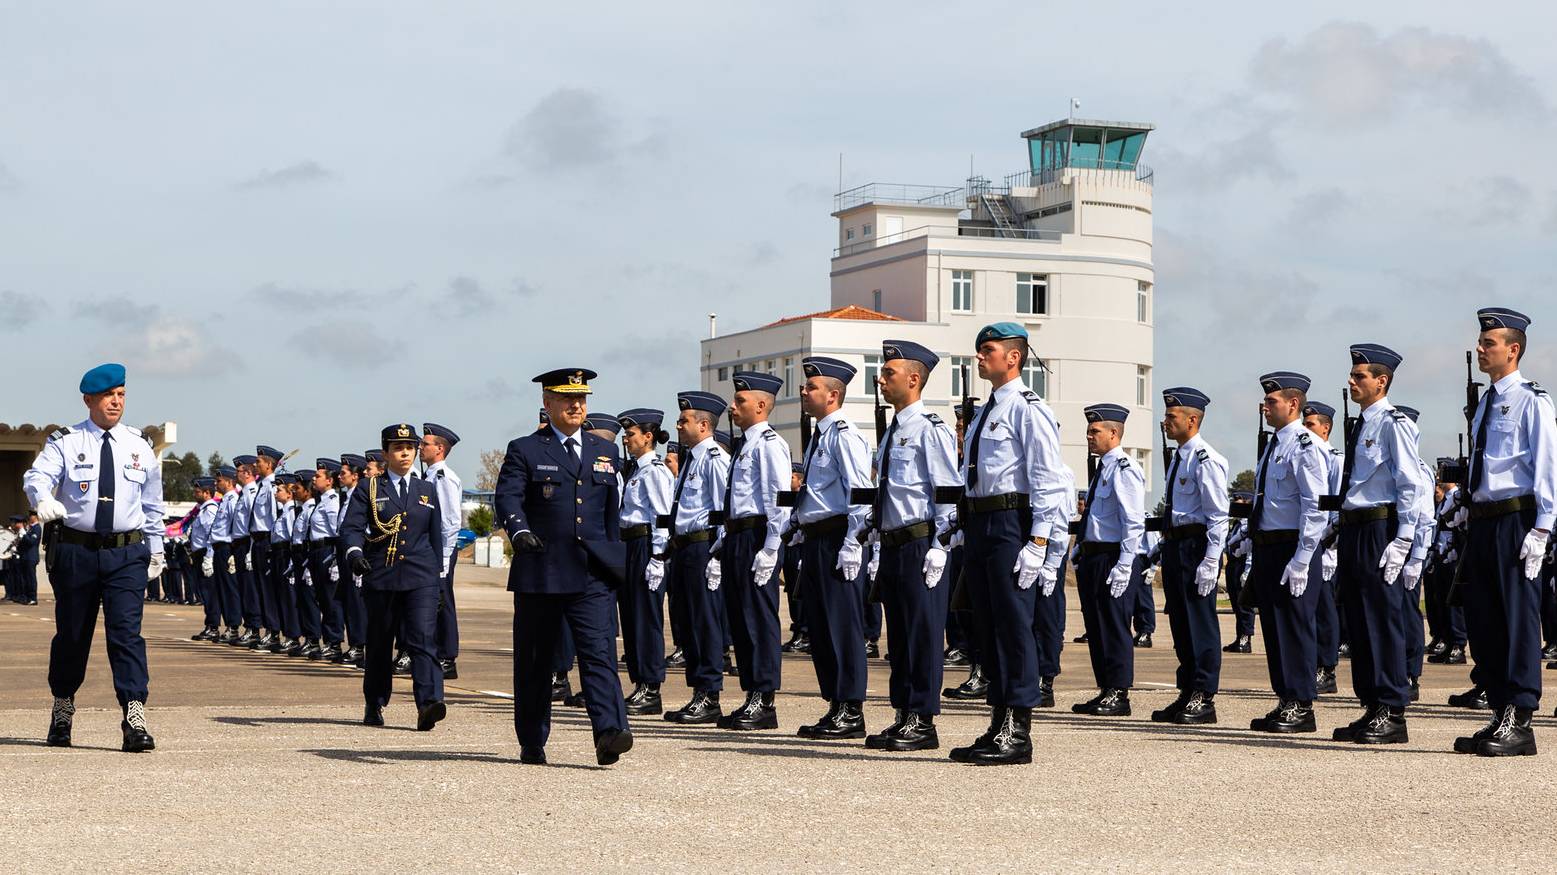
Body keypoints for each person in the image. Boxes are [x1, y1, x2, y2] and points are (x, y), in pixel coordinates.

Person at [495, 368, 632, 766]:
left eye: (582, 399)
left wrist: (612, 557)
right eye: (566, 399)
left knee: (599, 654)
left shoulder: (604, 451)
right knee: (536, 661)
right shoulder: (525, 448)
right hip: (543, 568)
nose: (576, 405)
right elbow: (508, 498)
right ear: (547, 404)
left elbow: (610, 513)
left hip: (592, 572)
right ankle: (533, 739)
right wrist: (518, 532)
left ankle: (609, 732)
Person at [24, 363, 164, 752]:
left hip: (126, 553)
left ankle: (134, 715)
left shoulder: (139, 445)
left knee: (126, 636)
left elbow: (152, 505)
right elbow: (36, 477)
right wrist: (44, 498)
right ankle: (63, 708)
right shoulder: (66, 442)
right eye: (108, 396)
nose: (116, 401)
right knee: (72, 633)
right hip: (76, 552)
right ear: (89, 400)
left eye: (121, 394)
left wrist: (156, 550)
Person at [950, 323, 1068, 765]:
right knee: (988, 625)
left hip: (1010, 524)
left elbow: (1047, 481)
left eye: (988, 350)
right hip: (981, 524)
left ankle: (1018, 729)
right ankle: (998, 721)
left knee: (1015, 626)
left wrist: (1039, 541)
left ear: (1013, 357)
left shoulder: (1028, 409)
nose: (979, 357)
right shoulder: (985, 412)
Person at [1454, 308, 1557, 757]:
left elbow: (1548, 467)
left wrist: (1542, 528)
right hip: (1483, 521)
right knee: (1485, 619)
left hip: (1516, 520)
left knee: (1516, 619)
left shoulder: (1533, 400)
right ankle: (1499, 709)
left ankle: (1521, 715)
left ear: (1513, 349)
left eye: (1489, 342)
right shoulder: (1485, 405)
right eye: (1481, 341)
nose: (1480, 348)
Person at [1327, 345, 1427, 745]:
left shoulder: (1392, 423)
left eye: (1359, 376)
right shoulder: (1362, 424)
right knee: (1358, 620)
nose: (1352, 382)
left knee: (1382, 619)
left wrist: (1404, 539)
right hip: (1354, 528)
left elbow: (1411, 484)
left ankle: (1392, 708)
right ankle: (1371, 703)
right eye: (1352, 376)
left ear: (1381, 381)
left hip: (1378, 528)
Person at [863, 340, 960, 751]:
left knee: (922, 634)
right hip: (893, 544)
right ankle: (903, 712)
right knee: (899, 637)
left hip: (922, 544)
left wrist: (940, 545)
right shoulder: (893, 432)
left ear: (914, 379)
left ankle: (923, 719)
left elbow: (948, 494)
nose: (881, 379)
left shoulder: (929, 430)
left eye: (889, 373)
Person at [343, 424, 448, 732]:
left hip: (421, 576)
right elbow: (351, 528)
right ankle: (374, 701)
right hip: (383, 574)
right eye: (397, 447)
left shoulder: (426, 490)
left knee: (423, 639)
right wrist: (353, 554)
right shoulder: (370, 489)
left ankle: (428, 703)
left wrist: (440, 580)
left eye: (410, 447)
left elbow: (435, 537)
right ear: (386, 453)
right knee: (379, 642)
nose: (405, 452)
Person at [792, 356, 874, 740]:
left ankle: (851, 707)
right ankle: (835, 703)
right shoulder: (819, 437)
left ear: (833, 394)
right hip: (816, 538)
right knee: (821, 625)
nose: (804, 392)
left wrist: (853, 543)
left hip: (837, 538)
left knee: (842, 625)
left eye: (811, 387)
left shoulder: (844, 435)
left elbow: (860, 493)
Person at [1247, 371, 1330, 735]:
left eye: (1272, 401)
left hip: (1292, 546)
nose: (1265, 407)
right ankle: (1285, 698)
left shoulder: (1305, 445)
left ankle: (1301, 704)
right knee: (1275, 627)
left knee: (1295, 626)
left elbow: (1316, 506)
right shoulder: (1274, 444)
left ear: (1293, 404)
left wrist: (1303, 556)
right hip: (1269, 545)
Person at [715, 372, 793, 730]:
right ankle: (751, 694)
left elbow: (779, 499)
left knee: (758, 619)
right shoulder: (744, 445)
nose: (733, 406)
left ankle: (765, 699)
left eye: (740, 400)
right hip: (736, 536)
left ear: (761, 405)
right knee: (739, 619)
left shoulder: (769, 444)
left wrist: (771, 547)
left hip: (756, 535)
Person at [1150, 387, 1230, 726]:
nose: (1165, 422)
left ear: (1192, 420)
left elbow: (1217, 514)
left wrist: (1212, 559)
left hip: (1196, 546)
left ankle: (1204, 694)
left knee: (1200, 621)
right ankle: (1187, 688)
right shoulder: (1180, 458)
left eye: (1172, 417)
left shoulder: (1206, 459)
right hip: (1176, 545)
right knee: (1180, 621)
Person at [1070, 404, 1146, 717]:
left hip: (1113, 557)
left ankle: (1119, 692)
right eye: (1088, 431)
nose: (1089, 436)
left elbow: (1133, 521)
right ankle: (1105, 688)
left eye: (1095, 431)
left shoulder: (1125, 467)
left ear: (1113, 433)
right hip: (1094, 556)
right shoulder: (1103, 468)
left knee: (1114, 625)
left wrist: (1125, 564)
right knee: (1097, 625)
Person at [662, 390, 732, 724]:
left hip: (704, 548)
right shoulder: (693, 458)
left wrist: (718, 555)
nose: (678, 425)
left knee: (704, 622)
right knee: (687, 622)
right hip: (685, 547)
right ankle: (697, 692)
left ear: (703, 425)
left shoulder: (715, 458)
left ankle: (709, 694)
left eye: (684, 420)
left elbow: (722, 511)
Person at [617, 408, 674, 714]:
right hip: (629, 544)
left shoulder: (655, 471)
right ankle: (639, 682)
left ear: (648, 437)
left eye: (631, 435)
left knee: (646, 618)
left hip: (644, 545)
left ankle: (651, 687)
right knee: (631, 617)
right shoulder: (636, 471)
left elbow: (662, 517)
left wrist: (657, 556)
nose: (626, 440)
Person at [1301, 401, 1345, 696]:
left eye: (1311, 425)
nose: (1305, 430)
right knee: (1309, 609)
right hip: (1309, 541)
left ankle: (1326, 669)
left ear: (1325, 428)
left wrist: (1330, 546)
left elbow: (1336, 505)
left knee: (1324, 610)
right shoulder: (1307, 455)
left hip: (1326, 542)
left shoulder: (1334, 460)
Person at [421, 424, 464, 679]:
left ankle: (448, 656)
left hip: (441, 551)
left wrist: (444, 558)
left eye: (425, 444)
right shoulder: (428, 477)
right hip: (429, 550)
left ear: (439, 448)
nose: (419, 448)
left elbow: (450, 521)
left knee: (443, 602)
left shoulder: (443, 478)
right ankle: (436, 651)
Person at [336, 453, 370, 666]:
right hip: (346, 552)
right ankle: (354, 644)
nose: (339, 476)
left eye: (343, 473)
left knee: (358, 603)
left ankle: (360, 646)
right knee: (349, 601)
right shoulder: (348, 497)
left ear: (355, 476)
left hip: (360, 553)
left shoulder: (361, 496)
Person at [187, 477, 221, 640]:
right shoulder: (203, 509)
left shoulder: (210, 510)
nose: (195, 494)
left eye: (198, 492)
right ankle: (210, 624)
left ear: (207, 493)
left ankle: (213, 626)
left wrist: (209, 557)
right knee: (204, 591)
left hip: (205, 554)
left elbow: (211, 535)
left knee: (209, 592)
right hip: (199, 553)